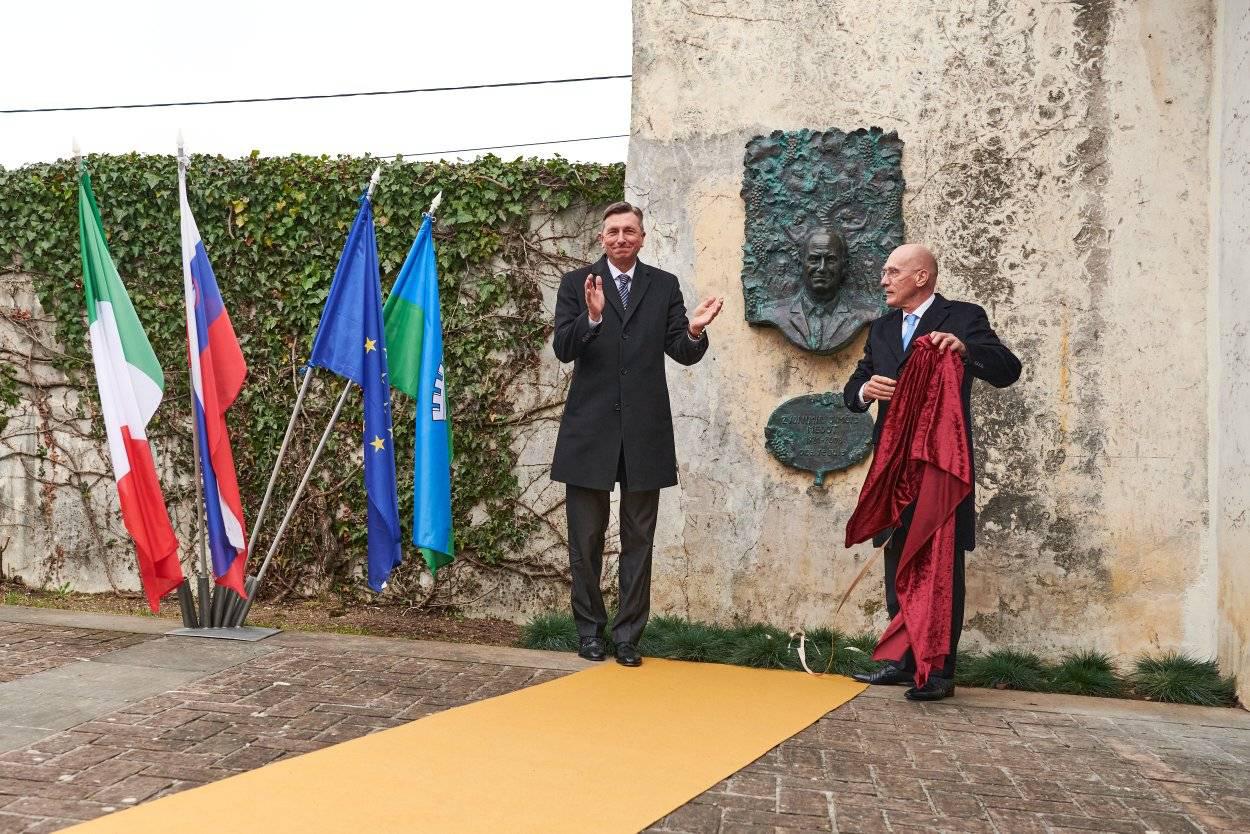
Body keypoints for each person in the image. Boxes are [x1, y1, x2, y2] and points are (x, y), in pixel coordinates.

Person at [843, 243, 1021, 700]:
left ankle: (938, 671)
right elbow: (852, 387)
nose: (883, 279)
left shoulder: (962, 317)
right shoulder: (882, 328)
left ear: (920, 277)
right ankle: (902, 663)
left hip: (941, 462)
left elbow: (1007, 370)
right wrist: (866, 389)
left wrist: (966, 350)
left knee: (940, 563)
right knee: (897, 555)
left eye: (892, 272)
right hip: (894, 462)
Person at [552, 201, 724, 667]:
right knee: (585, 540)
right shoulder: (577, 283)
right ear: (602, 238)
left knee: (639, 540)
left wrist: (692, 330)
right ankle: (590, 632)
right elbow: (563, 349)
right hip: (590, 433)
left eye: (630, 231)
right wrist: (590, 319)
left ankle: (628, 636)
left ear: (643, 238)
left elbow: (681, 351)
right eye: (613, 231)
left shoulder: (663, 285)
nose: (621, 238)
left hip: (645, 432)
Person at [756, 227, 876, 354]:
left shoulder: (867, 314)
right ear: (799, 265)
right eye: (814, 259)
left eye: (830, 260)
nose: (822, 268)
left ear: (844, 267)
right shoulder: (771, 312)